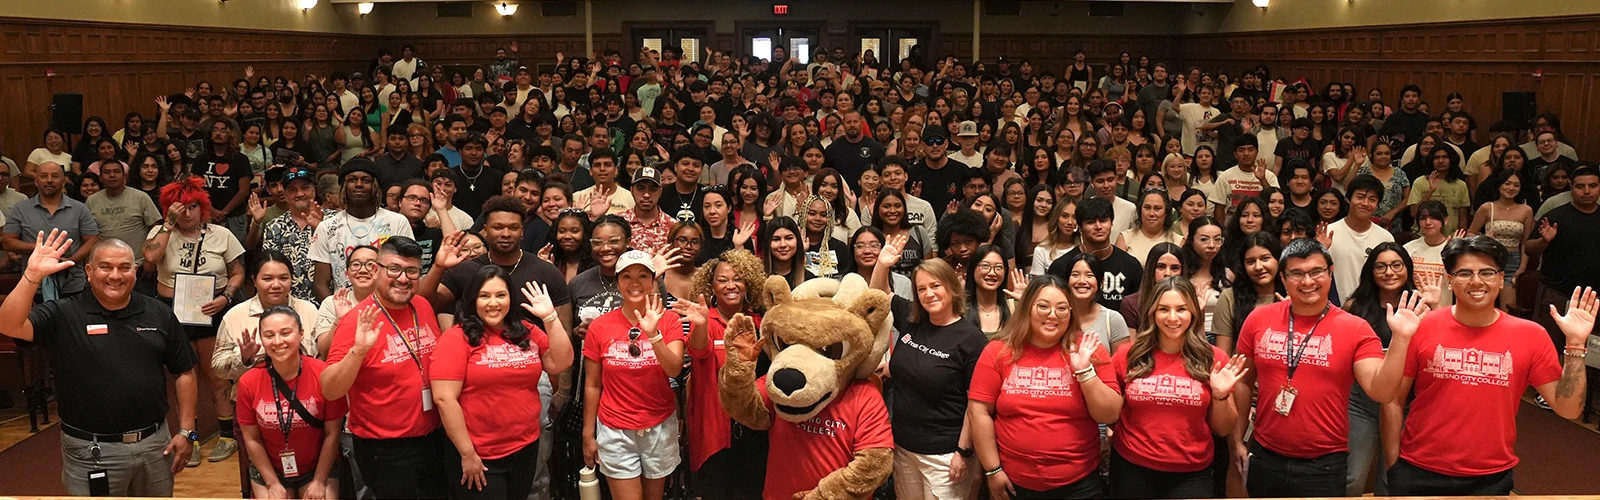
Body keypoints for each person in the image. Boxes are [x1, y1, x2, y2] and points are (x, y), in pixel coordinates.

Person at [1386, 236, 1594, 495]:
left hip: (1490, 475)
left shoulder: (1531, 335)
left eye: (1487, 272)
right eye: (1464, 273)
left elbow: (1568, 409)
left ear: (1500, 278)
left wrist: (1575, 343)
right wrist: (1393, 460)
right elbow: (1393, 398)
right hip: (1417, 469)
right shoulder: (1420, 326)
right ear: (1449, 280)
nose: (1476, 281)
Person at [0, 234, 196, 496]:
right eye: (106, 267)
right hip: (91, 450)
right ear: (89, 271)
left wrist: (187, 430)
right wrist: (32, 275)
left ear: (135, 271)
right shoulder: (63, 313)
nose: (115, 275)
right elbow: (7, 325)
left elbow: (184, 371)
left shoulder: (158, 312)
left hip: (155, 446)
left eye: (124, 267)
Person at [1229, 238, 1412, 497]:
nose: (1307, 282)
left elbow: (1381, 392)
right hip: (1265, 455)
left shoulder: (1355, 328)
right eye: (1297, 274)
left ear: (1330, 273)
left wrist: (1401, 340)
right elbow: (1243, 381)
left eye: (1316, 272)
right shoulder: (1259, 319)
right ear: (1283, 277)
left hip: (1325, 463)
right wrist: (1236, 440)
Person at [321, 236, 456, 499]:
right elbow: (329, 389)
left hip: (433, 437)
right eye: (394, 269)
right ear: (375, 270)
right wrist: (358, 351)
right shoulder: (356, 321)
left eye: (412, 271)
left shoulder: (423, 306)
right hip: (385, 449)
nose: (403, 278)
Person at [968, 275, 1122, 499]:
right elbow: (978, 411)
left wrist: (1085, 372)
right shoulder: (998, 350)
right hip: (1013, 482)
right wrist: (993, 470)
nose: (1052, 315)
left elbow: (1110, 414)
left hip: (1079, 483)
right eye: (1043, 307)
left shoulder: (1089, 349)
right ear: (1027, 308)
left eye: (1062, 308)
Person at [432, 266, 575, 500]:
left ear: (511, 297)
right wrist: (467, 454)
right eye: (484, 296)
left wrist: (550, 317)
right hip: (480, 454)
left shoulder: (525, 330)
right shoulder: (457, 338)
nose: (493, 303)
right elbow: (444, 399)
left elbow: (561, 362)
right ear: (472, 300)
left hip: (525, 447)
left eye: (501, 295)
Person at [1111, 276, 1247, 499]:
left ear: (1193, 312)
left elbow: (1222, 429)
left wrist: (1220, 395)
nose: (1172, 318)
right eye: (1164, 309)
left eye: (1181, 309)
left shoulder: (1213, 358)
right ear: (1152, 313)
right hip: (1132, 467)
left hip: (1191, 473)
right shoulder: (1128, 354)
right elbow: (1110, 411)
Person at [143, 175, 246, 464]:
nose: (187, 213)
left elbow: (238, 272)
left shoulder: (221, 234)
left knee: (217, 374)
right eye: (180, 208)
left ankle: (227, 435)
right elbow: (149, 259)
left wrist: (226, 296)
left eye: (192, 207)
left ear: (203, 207)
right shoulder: (161, 232)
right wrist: (167, 224)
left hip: (211, 308)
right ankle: (190, 437)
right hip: (172, 311)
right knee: (183, 375)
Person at [581, 249, 687, 500]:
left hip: (659, 425)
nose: (635, 283)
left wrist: (654, 335)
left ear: (653, 281)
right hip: (615, 428)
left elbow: (674, 369)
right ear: (617, 283)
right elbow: (593, 384)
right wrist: (588, 433)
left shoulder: (669, 320)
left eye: (642, 276)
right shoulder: (600, 326)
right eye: (626, 276)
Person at [1338, 242, 1437, 496]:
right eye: (1380, 266)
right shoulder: (1355, 306)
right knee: (1352, 477)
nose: (1389, 272)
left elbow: (1436, 349)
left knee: (1392, 477)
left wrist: (1434, 309)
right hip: (1362, 402)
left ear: (1408, 268)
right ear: (1371, 271)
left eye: (1396, 265)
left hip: (1406, 403)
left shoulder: (1422, 307)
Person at [671, 249, 771, 500]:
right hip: (714, 430)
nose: (730, 285)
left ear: (748, 283)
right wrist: (702, 324)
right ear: (711, 287)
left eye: (737, 278)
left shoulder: (760, 323)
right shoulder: (704, 321)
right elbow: (698, 349)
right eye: (722, 280)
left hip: (754, 429)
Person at [888, 259, 987, 499]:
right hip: (903, 446)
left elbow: (976, 405)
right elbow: (880, 295)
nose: (928, 294)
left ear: (952, 288)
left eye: (935, 286)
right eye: (921, 289)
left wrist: (963, 453)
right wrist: (883, 263)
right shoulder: (913, 321)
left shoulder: (972, 340)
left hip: (944, 455)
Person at [235, 304, 347, 500]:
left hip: (317, 468)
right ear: (262, 339)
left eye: (285, 333)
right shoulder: (248, 381)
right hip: (270, 470)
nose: (278, 342)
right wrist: (272, 483)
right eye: (269, 335)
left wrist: (319, 481)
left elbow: (333, 433)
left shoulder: (323, 374)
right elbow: (251, 439)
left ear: (301, 334)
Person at [212, 252, 324, 428]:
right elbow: (217, 368)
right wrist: (243, 359)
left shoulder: (309, 311)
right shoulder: (235, 316)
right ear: (254, 280)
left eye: (283, 278)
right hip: (253, 410)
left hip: (308, 405)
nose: (276, 285)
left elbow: (323, 359)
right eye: (267, 279)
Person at [309, 158, 413, 301]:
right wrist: (341, 313)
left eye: (366, 180)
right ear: (344, 187)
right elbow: (321, 284)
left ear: (375, 186)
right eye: (352, 180)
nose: (359, 184)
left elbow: (407, 271)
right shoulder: (327, 227)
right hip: (344, 311)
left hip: (389, 307)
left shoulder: (397, 222)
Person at [3, 161, 101, 299]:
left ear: (63, 181)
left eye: (55, 176)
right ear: (36, 182)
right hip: (33, 284)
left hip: (73, 283)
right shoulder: (20, 209)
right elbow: (8, 242)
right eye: (44, 176)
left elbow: (92, 239)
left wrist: (69, 261)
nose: (49, 180)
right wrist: (41, 250)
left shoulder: (79, 208)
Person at [1047, 197, 1142, 312]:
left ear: (1112, 223)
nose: (1098, 226)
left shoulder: (1131, 266)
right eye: (1091, 222)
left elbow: (1137, 311)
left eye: (1103, 220)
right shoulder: (1061, 266)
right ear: (1080, 227)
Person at [1322, 175, 1394, 303]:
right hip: (1334, 307)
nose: (1365, 204)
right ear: (1348, 199)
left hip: (1372, 308)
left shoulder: (1385, 238)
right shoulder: (1328, 233)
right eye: (1360, 197)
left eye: (1372, 199)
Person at [258, 166, 326, 302]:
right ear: (285, 194)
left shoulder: (333, 222)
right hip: (288, 305)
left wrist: (320, 229)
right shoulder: (274, 227)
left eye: (305, 188)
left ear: (314, 190)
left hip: (328, 305)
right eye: (292, 190)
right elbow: (269, 269)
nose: (299, 194)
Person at [86, 159, 162, 264]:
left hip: (137, 263)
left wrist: (150, 260)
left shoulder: (140, 197)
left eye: (116, 171)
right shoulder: (92, 200)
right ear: (100, 178)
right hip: (104, 263)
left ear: (125, 176)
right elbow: (88, 234)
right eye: (107, 172)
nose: (112, 175)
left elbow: (156, 228)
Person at [1115, 189, 1182, 266]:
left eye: (1157, 208)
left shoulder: (1178, 241)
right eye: (1147, 207)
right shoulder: (1125, 238)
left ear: (1166, 212)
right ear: (1140, 210)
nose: (1151, 213)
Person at [1029, 198, 1077, 277]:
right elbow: (1038, 286)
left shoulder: (1084, 248)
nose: (1070, 222)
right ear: (1056, 218)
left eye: (1075, 217)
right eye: (1064, 216)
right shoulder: (1041, 250)